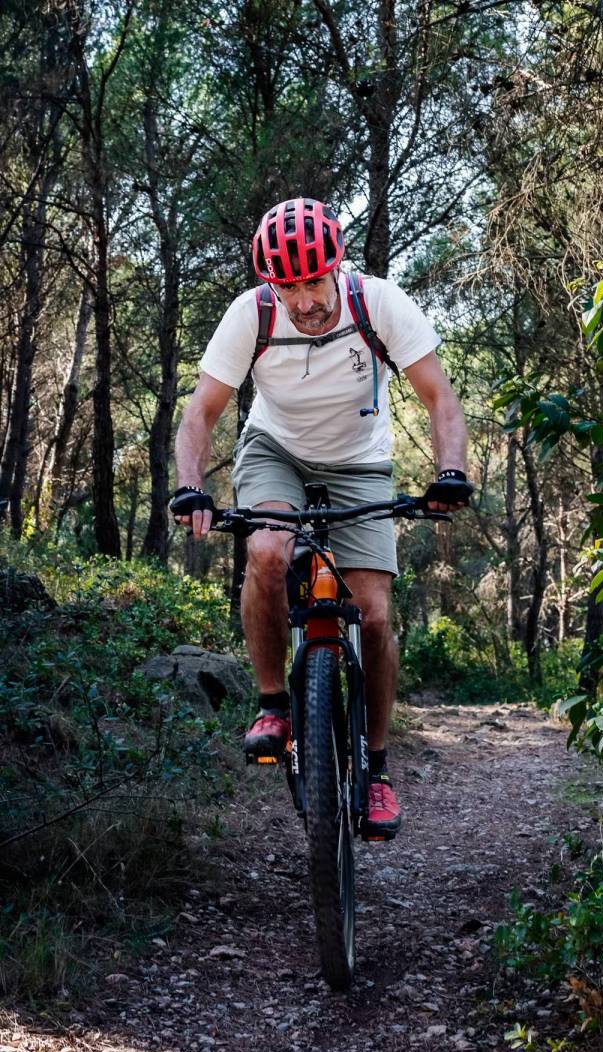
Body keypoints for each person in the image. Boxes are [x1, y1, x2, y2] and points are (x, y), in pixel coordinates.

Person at [170, 197, 471, 838]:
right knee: (267, 551)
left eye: (313, 281)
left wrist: (449, 471)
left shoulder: (378, 304)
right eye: (288, 286)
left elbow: (439, 397)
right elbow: (200, 413)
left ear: (336, 266)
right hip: (275, 451)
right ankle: (273, 705)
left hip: (359, 462)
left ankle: (377, 769)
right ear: (270, 282)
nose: (304, 301)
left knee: (376, 614)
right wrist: (191, 486)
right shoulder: (251, 315)